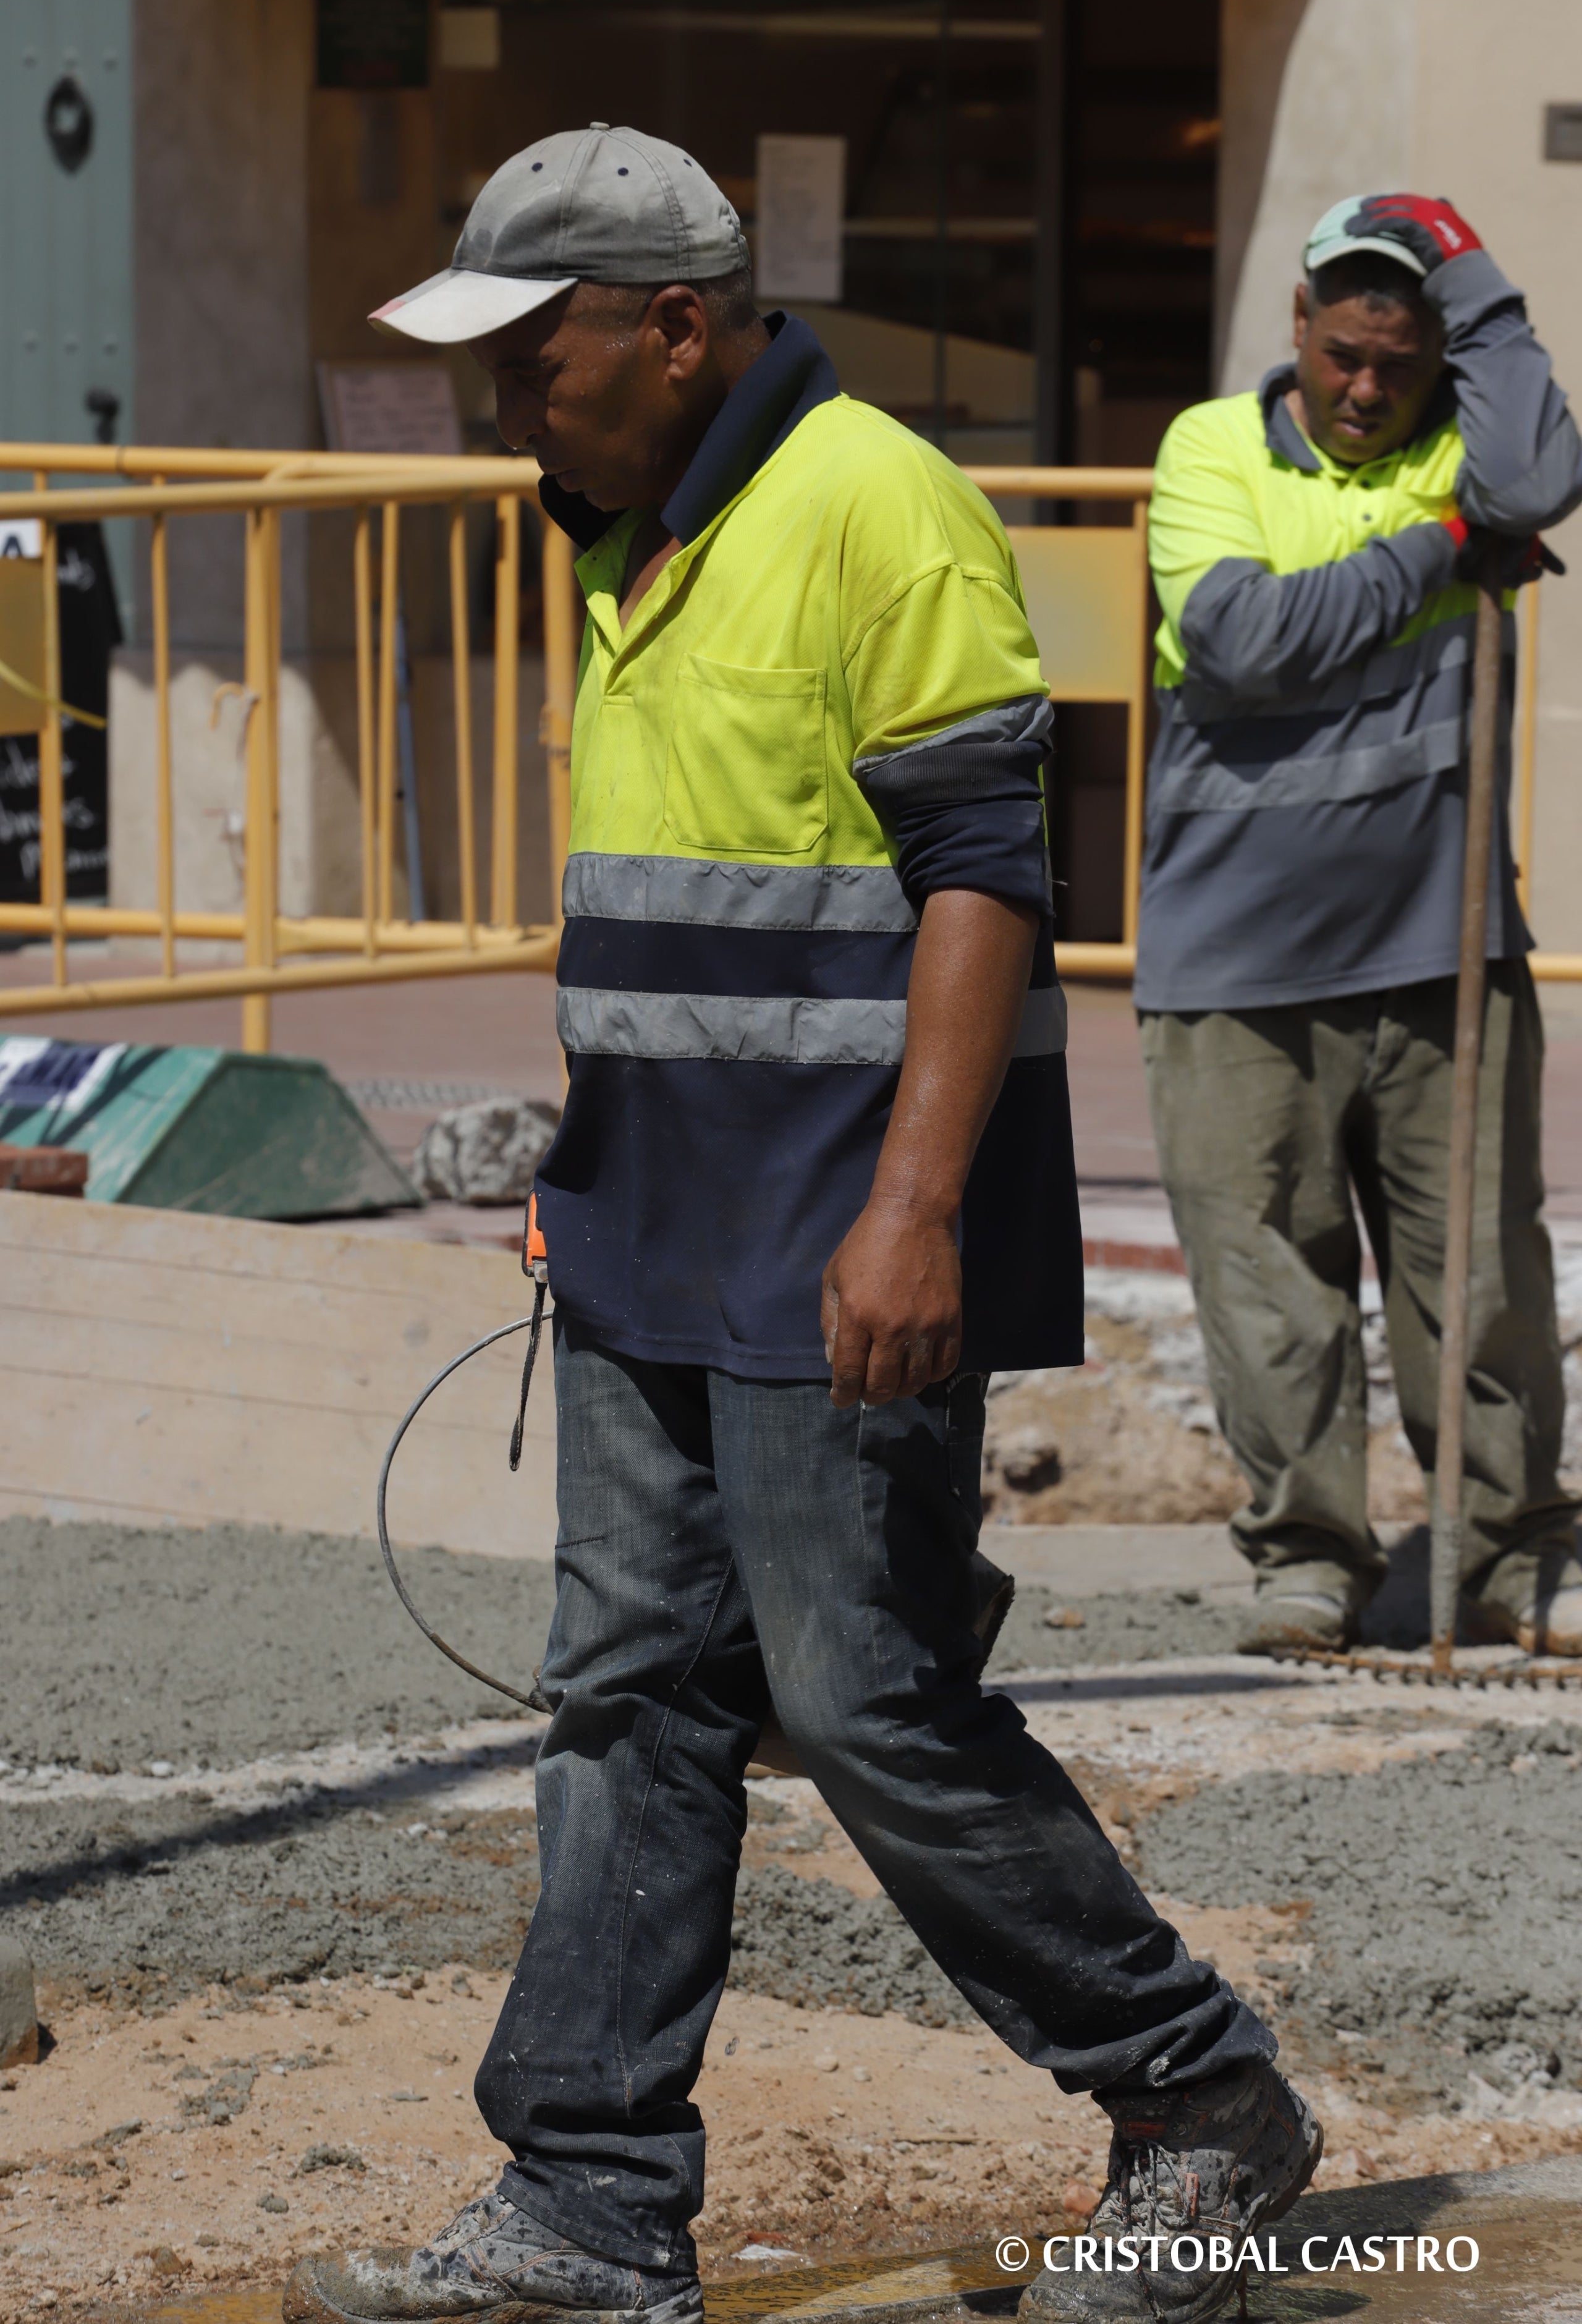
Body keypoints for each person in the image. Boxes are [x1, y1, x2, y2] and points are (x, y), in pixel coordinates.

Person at [287, 126, 1318, 2324]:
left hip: (838, 1241)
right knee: (626, 1701)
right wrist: (591, 1176)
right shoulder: (629, 527)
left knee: (867, 1700)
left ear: (678, 324)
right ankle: (583, 2194)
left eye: (535, 349)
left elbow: (984, 882)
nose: (506, 398)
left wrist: (915, 1214)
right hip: (654, 1225)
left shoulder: (876, 507)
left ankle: (1200, 2098)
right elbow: (693, 911)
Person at [1137, 194, 1582, 1661]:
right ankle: (1309, 1559)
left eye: (1399, 360)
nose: (1367, 389)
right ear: (1297, 335)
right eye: (1342, 355)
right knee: (1266, 1279)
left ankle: (1513, 1554)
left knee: (1482, 1282)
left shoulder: (1467, 442)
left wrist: (1484, 295)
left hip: (1437, 947)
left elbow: (1544, 474)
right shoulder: (1210, 448)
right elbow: (1246, 640)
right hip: (1229, 957)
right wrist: (1445, 545)